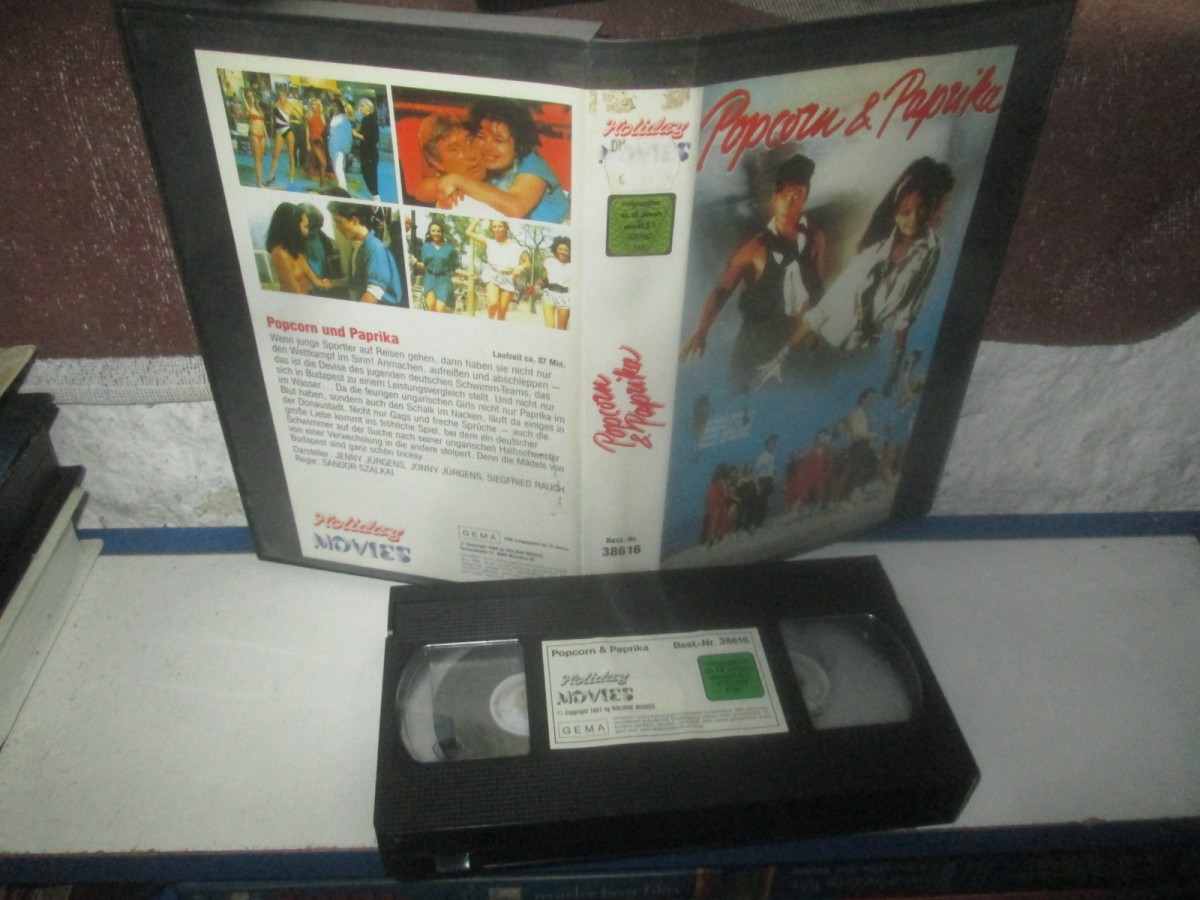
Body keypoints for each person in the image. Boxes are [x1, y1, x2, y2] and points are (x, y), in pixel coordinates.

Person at [756, 157, 954, 390]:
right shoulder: (871, 256)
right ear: (897, 212)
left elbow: (908, 312)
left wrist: (896, 363)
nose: (913, 219)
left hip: (863, 352)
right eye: (906, 211)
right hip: (827, 343)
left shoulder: (931, 251)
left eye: (923, 211)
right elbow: (823, 310)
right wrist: (780, 358)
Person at [679, 154, 825, 392]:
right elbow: (722, 291)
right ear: (774, 200)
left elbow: (817, 287)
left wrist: (811, 327)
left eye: (797, 195)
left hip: (795, 341)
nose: (790, 203)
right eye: (784, 196)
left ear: (805, 198)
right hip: (755, 343)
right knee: (742, 394)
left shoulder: (815, 239)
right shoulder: (754, 249)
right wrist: (702, 330)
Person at [428, 98, 569, 223]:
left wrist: (459, 181)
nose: (487, 147)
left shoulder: (532, 163)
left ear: (518, 145)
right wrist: (451, 186)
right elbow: (425, 189)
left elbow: (515, 207)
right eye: (481, 137)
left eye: (499, 140)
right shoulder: (486, 167)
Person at [411, 114, 494, 217]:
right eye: (454, 149)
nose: (471, 155)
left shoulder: (498, 179)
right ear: (437, 162)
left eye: (469, 141)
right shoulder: (457, 202)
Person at [327, 200, 407, 306]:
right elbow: (357, 281)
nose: (337, 227)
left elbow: (372, 294)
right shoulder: (359, 246)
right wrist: (331, 283)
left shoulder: (375, 249)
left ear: (354, 220)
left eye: (339, 222)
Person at [467, 219, 529, 321]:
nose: (497, 229)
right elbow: (468, 232)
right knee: (493, 303)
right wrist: (477, 220)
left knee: (502, 313)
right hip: (492, 275)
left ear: (506, 228)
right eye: (494, 227)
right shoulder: (489, 242)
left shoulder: (515, 246)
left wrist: (519, 268)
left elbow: (527, 262)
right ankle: (489, 321)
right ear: (491, 229)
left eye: (500, 226)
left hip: (509, 278)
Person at [266, 202, 332, 296]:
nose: (307, 232)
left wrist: (338, 282)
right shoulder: (279, 253)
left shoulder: (297, 250)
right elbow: (295, 293)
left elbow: (317, 282)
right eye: (305, 227)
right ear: (293, 227)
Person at [414, 221, 461, 313]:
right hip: (429, 278)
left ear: (442, 233)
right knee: (431, 306)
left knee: (440, 308)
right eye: (433, 231)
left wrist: (467, 273)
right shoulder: (425, 247)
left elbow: (455, 267)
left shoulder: (450, 249)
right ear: (429, 232)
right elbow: (424, 265)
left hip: (443, 279)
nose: (436, 233)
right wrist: (414, 262)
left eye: (438, 231)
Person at [539, 236, 571, 330]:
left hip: (565, 296)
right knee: (549, 327)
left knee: (562, 329)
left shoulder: (573, 265)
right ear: (555, 249)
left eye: (565, 250)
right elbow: (543, 278)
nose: (562, 252)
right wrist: (540, 280)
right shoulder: (549, 261)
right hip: (549, 294)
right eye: (560, 249)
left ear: (570, 252)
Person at [266, 86, 296, 185]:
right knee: (275, 155)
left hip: (288, 130)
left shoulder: (290, 106)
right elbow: (272, 117)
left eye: (282, 96)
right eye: (279, 96)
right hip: (279, 131)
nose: (281, 97)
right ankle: (271, 176)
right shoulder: (275, 105)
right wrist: (272, 129)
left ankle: (291, 177)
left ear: (286, 97)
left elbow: (300, 118)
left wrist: (291, 121)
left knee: (291, 155)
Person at [354, 96, 381, 201]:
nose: (360, 108)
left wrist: (357, 135)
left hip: (369, 154)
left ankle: (377, 200)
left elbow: (373, 139)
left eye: (362, 106)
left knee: (371, 180)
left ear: (367, 107)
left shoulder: (369, 120)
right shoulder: (368, 119)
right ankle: (376, 198)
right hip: (369, 153)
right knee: (370, 179)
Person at [327, 100, 354, 193]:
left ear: (339, 107)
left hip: (340, 149)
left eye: (335, 106)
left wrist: (346, 148)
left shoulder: (344, 119)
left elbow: (347, 135)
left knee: (339, 169)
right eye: (332, 106)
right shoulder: (333, 117)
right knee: (336, 169)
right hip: (332, 147)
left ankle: (343, 189)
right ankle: (341, 188)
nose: (333, 108)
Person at [243, 90, 267, 188]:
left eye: (252, 95)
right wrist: (244, 98)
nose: (251, 98)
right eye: (249, 96)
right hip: (254, 134)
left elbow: (263, 124)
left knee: (261, 158)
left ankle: (261, 179)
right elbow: (247, 111)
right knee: (257, 158)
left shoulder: (258, 109)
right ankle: (259, 182)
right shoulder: (248, 109)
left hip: (262, 135)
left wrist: (267, 136)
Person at [305, 97, 329, 185]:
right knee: (323, 163)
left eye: (315, 104)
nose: (313, 106)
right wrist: (307, 143)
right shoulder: (308, 116)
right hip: (314, 139)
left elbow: (325, 128)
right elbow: (307, 130)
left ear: (319, 106)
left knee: (324, 163)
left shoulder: (323, 115)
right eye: (312, 104)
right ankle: (322, 183)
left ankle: (322, 183)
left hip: (322, 140)